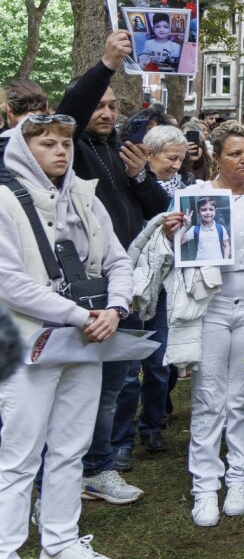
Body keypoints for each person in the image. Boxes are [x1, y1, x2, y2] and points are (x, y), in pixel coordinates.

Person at [0, 114, 134, 559]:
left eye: (65, 144)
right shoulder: (4, 199)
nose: (61, 151)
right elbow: (9, 282)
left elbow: (118, 260)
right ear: (24, 149)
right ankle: (7, 547)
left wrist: (115, 309)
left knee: (71, 448)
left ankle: (59, 542)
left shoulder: (84, 196)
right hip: (26, 345)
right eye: (48, 144)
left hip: (86, 339)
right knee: (20, 455)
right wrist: (81, 315)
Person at [161, 120, 244, 527]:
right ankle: (205, 484)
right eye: (236, 153)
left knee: (243, 394)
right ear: (216, 156)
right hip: (211, 306)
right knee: (206, 396)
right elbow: (171, 251)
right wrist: (170, 234)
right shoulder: (195, 196)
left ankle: (239, 477)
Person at [56, 31, 165, 507]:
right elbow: (70, 109)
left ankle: (99, 464)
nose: (104, 112)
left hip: (130, 285)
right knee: (85, 388)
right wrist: (105, 64)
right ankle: (79, 469)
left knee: (116, 383)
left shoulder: (124, 151)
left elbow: (158, 208)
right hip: (86, 289)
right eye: (98, 106)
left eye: (113, 106)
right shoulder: (71, 149)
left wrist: (141, 176)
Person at [109, 124, 190, 470]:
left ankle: (152, 426)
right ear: (149, 153)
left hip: (165, 284)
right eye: (171, 159)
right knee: (127, 370)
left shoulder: (184, 190)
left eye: (181, 159)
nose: (176, 165)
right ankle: (121, 439)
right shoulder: (128, 183)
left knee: (158, 364)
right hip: (129, 286)